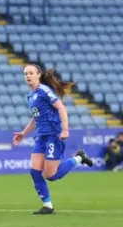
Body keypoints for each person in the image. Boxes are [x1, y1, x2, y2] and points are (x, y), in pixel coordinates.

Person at [13, 64, 94, 215]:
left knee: (50, 175)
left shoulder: (44, 91)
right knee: (34, 171)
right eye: (25, 74)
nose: (27, 76)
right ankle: (47, 205)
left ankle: (78, 158)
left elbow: (61, 108)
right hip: (41, 137)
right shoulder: (31, 96)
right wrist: (23, 133)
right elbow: (36, 118)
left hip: (53, 135)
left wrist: (65, 129)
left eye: (31, 73)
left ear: (38, 75)